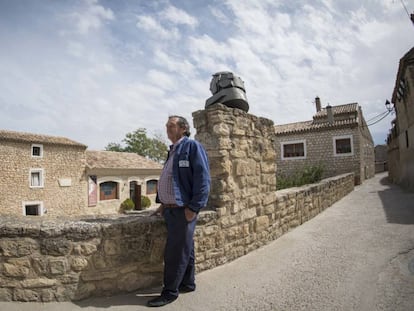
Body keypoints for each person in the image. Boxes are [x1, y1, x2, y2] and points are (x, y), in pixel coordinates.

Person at [147, 115, 211, 307]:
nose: (167, 128)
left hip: (184, 211)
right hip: (171, 210)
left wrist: (193, 207)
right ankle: (187, 283)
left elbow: (203, 180)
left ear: (183, 128)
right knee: (186, 248)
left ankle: (170, 292)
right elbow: (172, 181)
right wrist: (162, 205)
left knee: (175, 252)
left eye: (171, 125)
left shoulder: (192, 147)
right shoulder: (173, 150)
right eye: (166, 125)